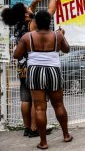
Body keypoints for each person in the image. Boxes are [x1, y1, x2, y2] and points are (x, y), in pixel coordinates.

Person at [1, 0, 56, 137]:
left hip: (21, 67)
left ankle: (26, 128)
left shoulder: (19, 25)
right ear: (26, 14)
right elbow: (50, 11)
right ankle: (34, 128)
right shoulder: (32, 24)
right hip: (33, 67)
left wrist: (34, 2)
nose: (29, 7)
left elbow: (30, 11)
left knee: (25, 98)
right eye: (26, 7)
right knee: (37, 99)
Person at [13, 10, 72, 150]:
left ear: (37, 22)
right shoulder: (57, 36)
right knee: (58, 105)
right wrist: (62, 36)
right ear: (49, 22)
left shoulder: (28, 37)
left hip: (35, 72)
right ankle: (66, 135)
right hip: (53, 71)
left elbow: (16, 55)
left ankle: (43, 143)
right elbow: (67, 50)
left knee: (39, 108)